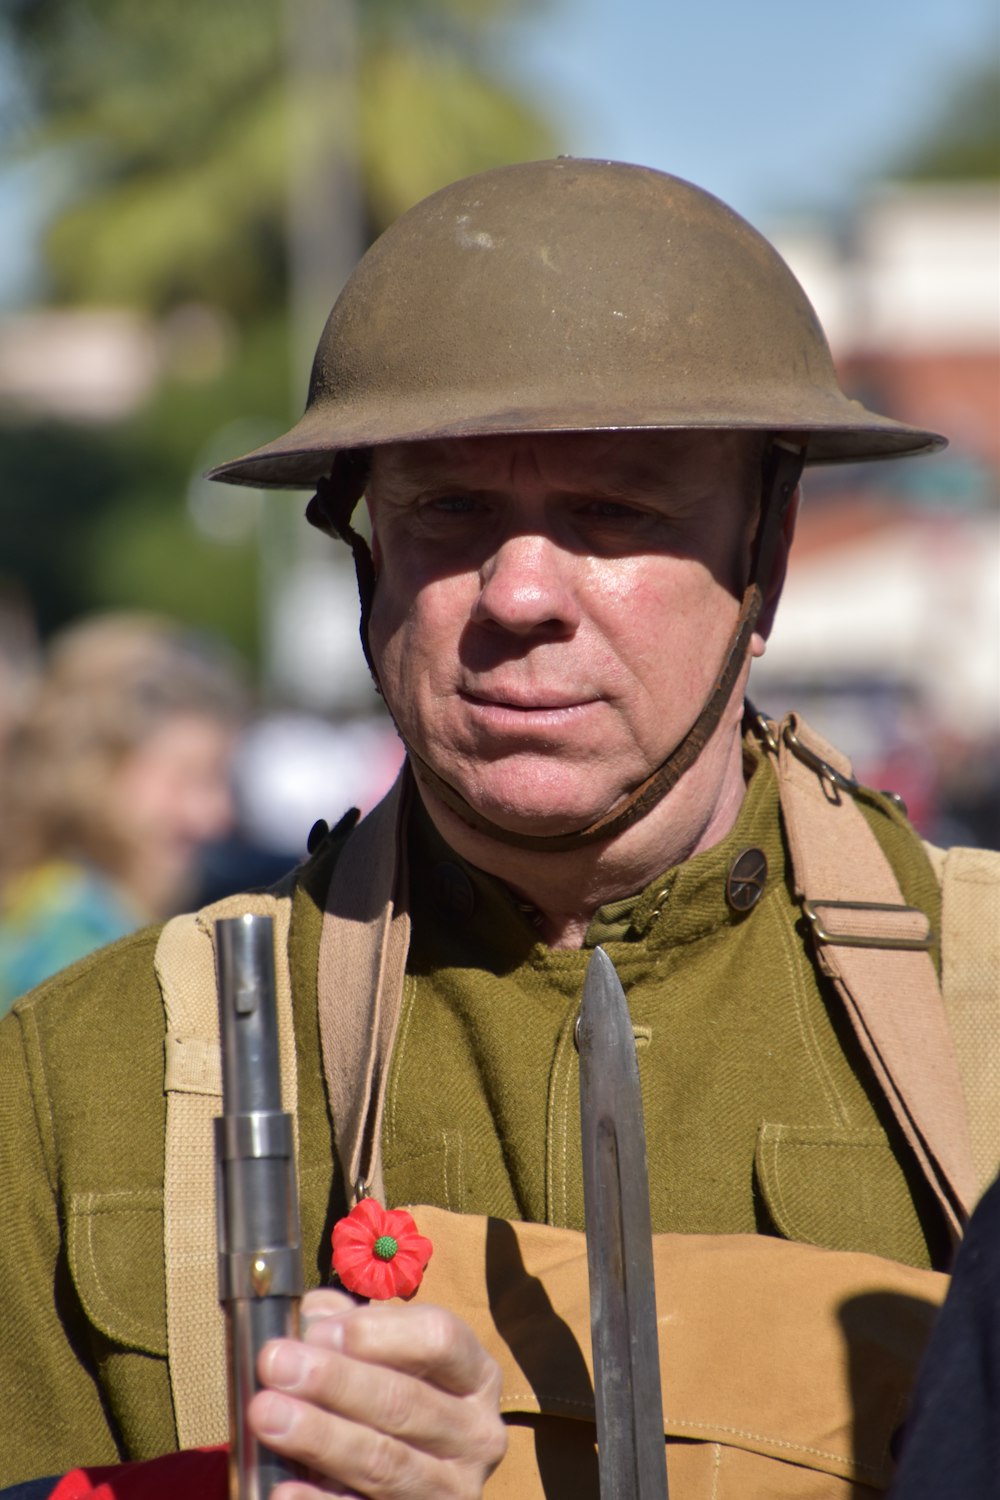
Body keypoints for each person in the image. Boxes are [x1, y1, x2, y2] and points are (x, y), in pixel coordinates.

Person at [1, 158, 997, 1499]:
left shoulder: (985, 1008)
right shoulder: (90, 1086)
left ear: (765, 550)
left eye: (615, 511)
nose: (519, 591)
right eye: (447, 510)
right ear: (366, 557)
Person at [0, 612, 243, 1013]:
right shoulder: (79, 948)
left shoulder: (40, 903)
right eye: (189, 777)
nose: (217, 814)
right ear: (95, 770)